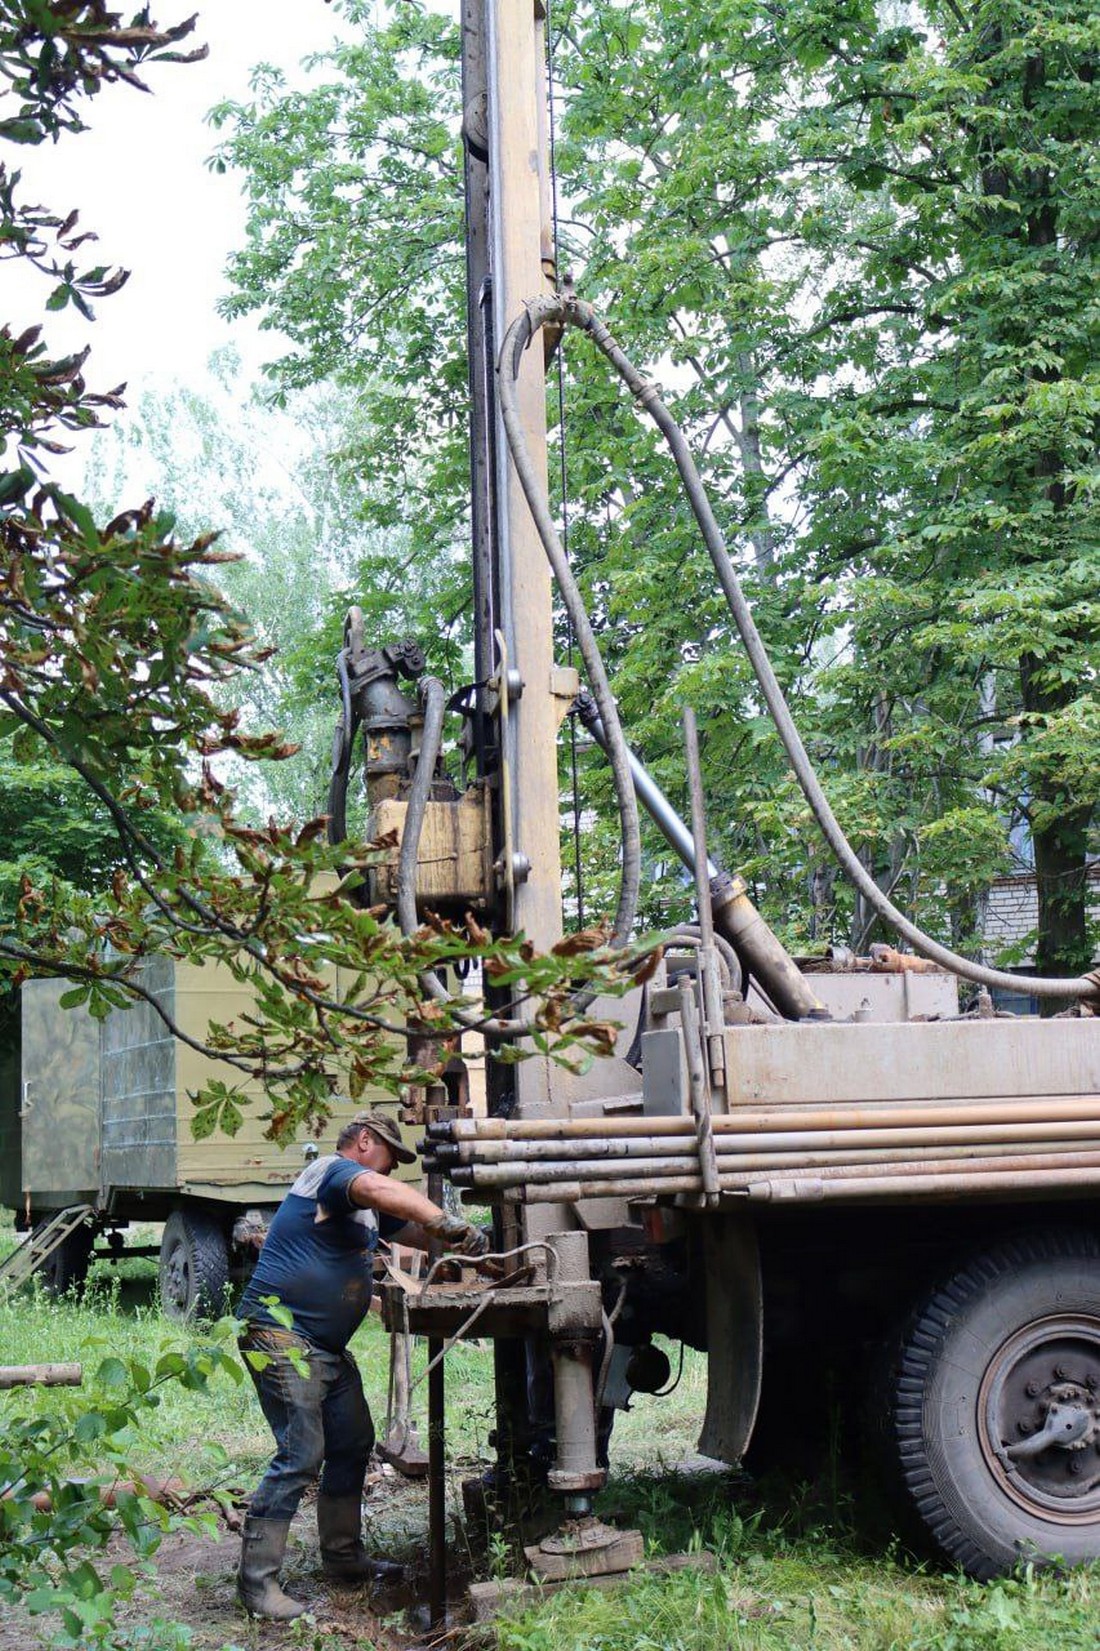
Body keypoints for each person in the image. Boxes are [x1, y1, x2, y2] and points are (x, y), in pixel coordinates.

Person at [235, 1107, 490, 1620]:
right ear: (365, 1141)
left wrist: (473, 1240)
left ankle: (344, 1557)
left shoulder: (364, 1206)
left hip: (324, 1347)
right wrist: (443, 1217)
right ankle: (257, 1585)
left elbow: (417, 1232)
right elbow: (384, 1193)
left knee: (351, 1442)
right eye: (390, 1158)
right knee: (300, 1454)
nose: (391, 1170)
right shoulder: (331, 1174)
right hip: (280, 1335)